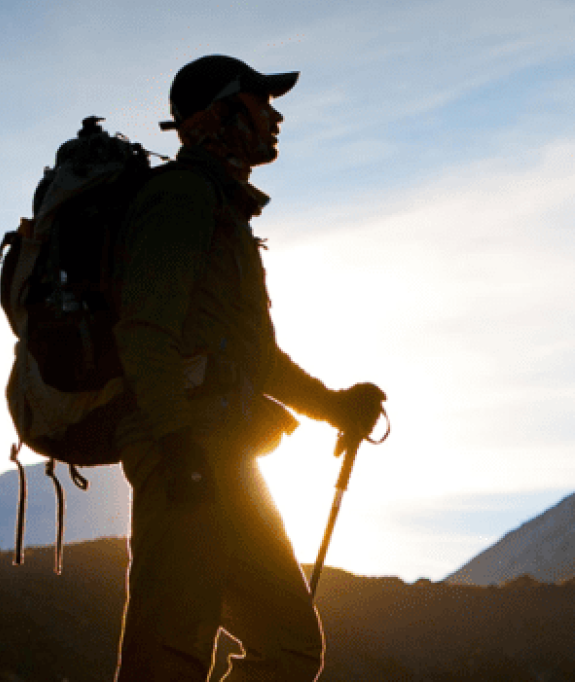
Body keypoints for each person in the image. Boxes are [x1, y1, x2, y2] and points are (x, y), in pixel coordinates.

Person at [112, 55, 386, 682]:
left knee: (288, 649)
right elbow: (143, 329)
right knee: (170, 651)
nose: (277, 115)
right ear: (217, 114)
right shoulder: (179, 196)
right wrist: (176, 442)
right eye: (261, 101)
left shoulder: (221, 210)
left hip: (222, 449)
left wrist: (336, 407)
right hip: (184, 445)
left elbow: (255, 358)